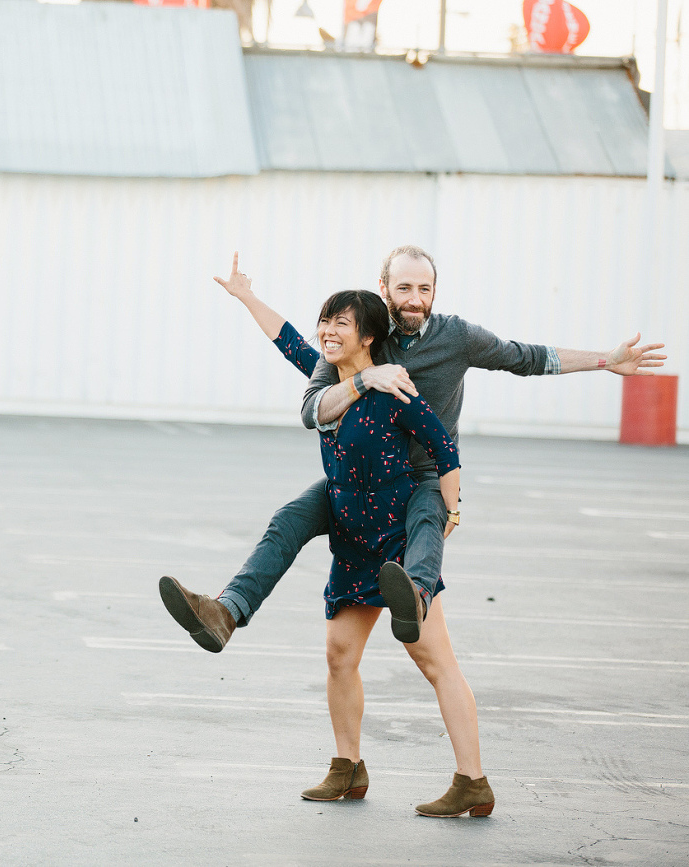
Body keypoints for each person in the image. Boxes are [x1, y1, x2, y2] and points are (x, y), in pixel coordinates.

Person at [160, 246, 666, 655]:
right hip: (361, 478)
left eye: (424, 288)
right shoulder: (369, 339)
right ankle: (225, 612)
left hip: (424, 476)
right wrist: (249, 298)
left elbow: (527, 357)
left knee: (430, 549)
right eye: (404, 287)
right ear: (385, 293)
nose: (415, 298)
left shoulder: (458, 337)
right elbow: (299, 348)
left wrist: (606, 360)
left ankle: (416, 599)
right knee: (289, 519)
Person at [267, 286, 490, 816]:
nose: (327, 332)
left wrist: (451, 514)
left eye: (340, 324)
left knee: (434, 660)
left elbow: (443, 448)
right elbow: (286, 341)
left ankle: (473, 781)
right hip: (353, 543)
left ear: (367, 336)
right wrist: (247, 295)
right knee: (339, 655)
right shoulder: (330, 381)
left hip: (396, 545)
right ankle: (347, 769)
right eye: (324, 322)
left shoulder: (394, 388)